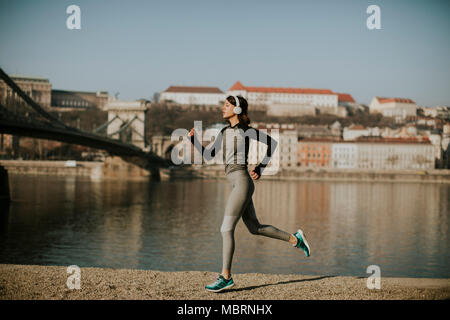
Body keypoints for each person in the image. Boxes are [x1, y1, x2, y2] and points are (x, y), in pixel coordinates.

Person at [188, 95, 310, 293]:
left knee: (226, 229)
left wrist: (261, 167)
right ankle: (296, 239)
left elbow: (273, 144)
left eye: (227, 105)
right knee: (255, 228)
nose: (223, 108)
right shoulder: (223, 131)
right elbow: (208, 155)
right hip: (237, 184)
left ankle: (226, 277)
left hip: (243, 183)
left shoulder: (246, 131)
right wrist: (194, 141)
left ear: (237, 110)